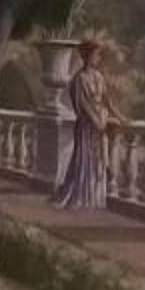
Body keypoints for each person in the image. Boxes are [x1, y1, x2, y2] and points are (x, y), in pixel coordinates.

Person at [53, 34, 114, 210]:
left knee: (99, 161)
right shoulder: (79, 79)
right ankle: (82, 197)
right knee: (85, 161)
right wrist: (95, 121)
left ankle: (95, 198)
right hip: (87, 126)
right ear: (86, 56)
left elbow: (107, 100)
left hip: (99, 122)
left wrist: (119, 116)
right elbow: (81, 104)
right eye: (95, 54)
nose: (98, 58)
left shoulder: (99, 76)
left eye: (98, 55)